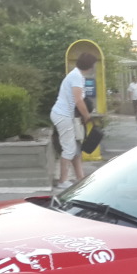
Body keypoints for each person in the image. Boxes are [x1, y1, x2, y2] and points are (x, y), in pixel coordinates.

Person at [51, 51, 97, 189]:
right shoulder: (76, 76)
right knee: (69, 148)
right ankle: (62, 180)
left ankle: (80, 177)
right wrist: (87, 116)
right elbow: (78, 100)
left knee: (76, 147)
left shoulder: (76, 75)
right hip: (63, 115)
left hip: (67, 115)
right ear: (89, 65)